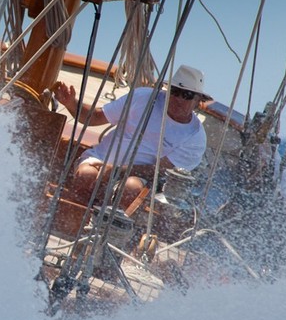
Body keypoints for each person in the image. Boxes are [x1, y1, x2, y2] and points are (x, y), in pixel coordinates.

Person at [52, 64, 209, 212]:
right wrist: (71, 104)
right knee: (86, 175)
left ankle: (104, 233)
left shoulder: (195, 137)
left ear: (198, 101)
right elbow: (94, 118)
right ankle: (70, 222)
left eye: (187, 95)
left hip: (139, 177)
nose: (178, 99)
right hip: (99, 160)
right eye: (174, 91)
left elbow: (159, 172)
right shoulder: (142, 98)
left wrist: (116, 170)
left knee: (130, 188)